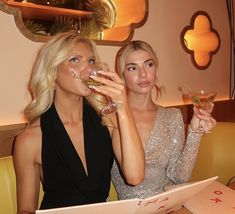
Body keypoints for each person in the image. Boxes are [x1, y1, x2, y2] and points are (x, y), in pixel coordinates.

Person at [13, 33, 145, 213]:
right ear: (52, 71)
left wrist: (123, 107)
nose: (87, 69)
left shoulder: (107, 121)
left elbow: (135, 177)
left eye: (91, 61)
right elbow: (26, 210)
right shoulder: (30, 139)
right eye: (75, 60)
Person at [111, 40, 217, 200]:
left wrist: (195, 132)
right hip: (129, 209)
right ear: (122, 75)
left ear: (156, 70)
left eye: (149, 65)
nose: (143, 74)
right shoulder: (111, 117)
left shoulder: (172, 116)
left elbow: (180, 177)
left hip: (168, 205)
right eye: (132, 68)